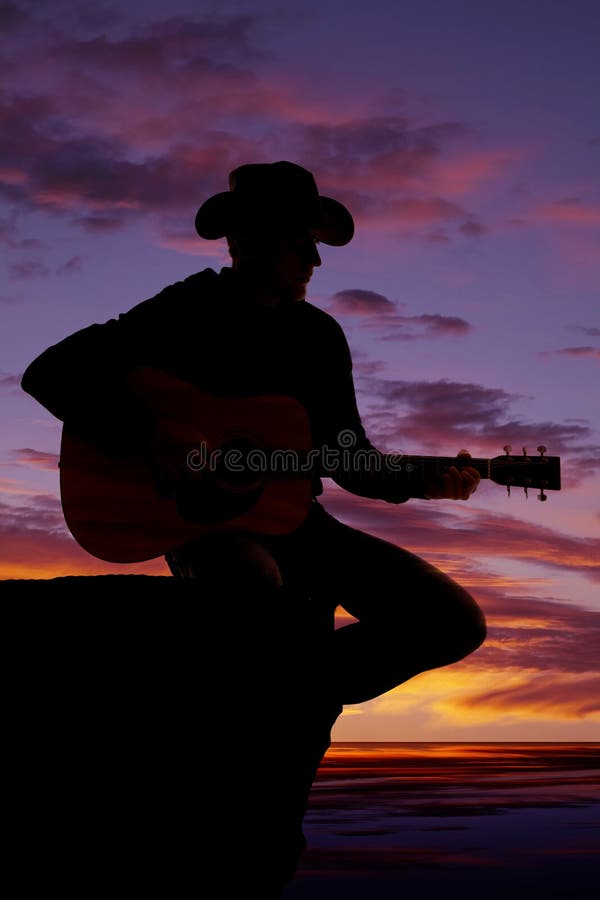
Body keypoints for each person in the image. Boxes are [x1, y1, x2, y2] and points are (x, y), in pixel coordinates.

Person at [21, 161, 486, 897]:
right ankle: (276, 715)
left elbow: (347, 459)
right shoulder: (187, 308)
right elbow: (52, 372)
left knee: (451, 621)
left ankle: (307, 694)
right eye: (301, 241)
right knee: (255, 596)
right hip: (206, 525)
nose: (314, 259)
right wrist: (155, 434)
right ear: (252, 241)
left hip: (298, 519)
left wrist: (426, 479)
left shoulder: (317, 335)